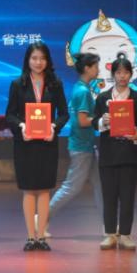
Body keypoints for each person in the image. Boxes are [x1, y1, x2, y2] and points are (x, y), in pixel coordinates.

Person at [4, 42, 69, 251]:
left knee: (44, 189)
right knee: (29, 190)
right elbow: (10, 115)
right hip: (25, 144)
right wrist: (21, 126)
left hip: (47, 143)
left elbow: (64, 114)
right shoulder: (18, 84)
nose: (38, 62)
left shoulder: (55, 84)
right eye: (34, 58)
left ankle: (42, 237)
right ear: (28, 60)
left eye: (42, 58)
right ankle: (30, 237)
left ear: (47, 60)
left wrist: (54, 126)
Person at [93, 53, 137, 249]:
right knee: (109, 196)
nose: (122, 76)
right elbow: (94, 122)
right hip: (108, 155)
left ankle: (126, 234)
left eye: (126, 72)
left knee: (127, 196)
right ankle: (110, 234)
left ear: (131, 75)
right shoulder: (103, 97)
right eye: (118, 72)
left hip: (129, 155)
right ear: (113, 75)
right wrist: (103, 121)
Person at [49, 52, 104, 227]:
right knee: (72, 187)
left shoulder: (80, 88)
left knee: (100, 185)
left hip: (86, 145)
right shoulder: (83, 92)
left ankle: (108, 225)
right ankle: (42, 218)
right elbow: (82, 121)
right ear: (87, 68)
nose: (98, 69)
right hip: (81, 146)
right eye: (95, 66)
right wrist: (101, 121)